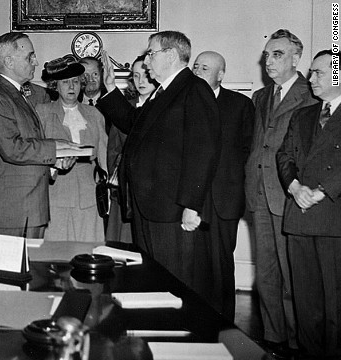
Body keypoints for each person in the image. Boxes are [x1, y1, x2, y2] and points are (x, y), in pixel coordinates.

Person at [97, 31, 220, 302]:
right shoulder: (163, 93)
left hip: (173, 210)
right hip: (150, 206)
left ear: (172, 55)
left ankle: (179, 336)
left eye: (151, 53)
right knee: (154, 279)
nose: (146, 60)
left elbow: (204, 151)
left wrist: (192, 205)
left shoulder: (194, 89)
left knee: (176, 282)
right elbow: (133, 122)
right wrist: (109, 90)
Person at [244, 29, 317, 356]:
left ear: (295, 59)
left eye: (278, 55)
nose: (269, 61)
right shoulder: (260, 96)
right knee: (266, 275)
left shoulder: (311, 93)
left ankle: (295, 342)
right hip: (259, 196)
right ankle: (273, 338)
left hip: (289, 197)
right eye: (267, 55)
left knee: (292, 277)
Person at [0, 32, 77, 238]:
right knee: (10, 270)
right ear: (9, 61)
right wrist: (56, 147)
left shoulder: (19, 95)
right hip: (12, 210)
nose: (36, 61)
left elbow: (29, 145)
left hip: (29, 206)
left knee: (29, 268)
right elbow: (13, 149)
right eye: (29, 57)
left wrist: (53, 163)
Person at [276, 49, 341, 359]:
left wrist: (322, 190)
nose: (311, 78)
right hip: (300, 217)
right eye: (311, 72)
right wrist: (294, 186)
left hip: (333, 219)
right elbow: (284, 155)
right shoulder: (303, 114)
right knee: (306, 302)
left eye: (319, 72)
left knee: (335, 304)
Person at [192, 51, 254, 321]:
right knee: (193, 265)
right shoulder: (183, 103)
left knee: (221, 266)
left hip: (224, 200)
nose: (196, 73)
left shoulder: (240, 105)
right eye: (194, 67)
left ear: (220, 75)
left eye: (204, 68)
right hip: (191, 200)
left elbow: (247, 151)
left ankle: (223, 326)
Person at [36, 56, 107, 242]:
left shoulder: (94, 114)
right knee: (57, 257)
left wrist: (105, 187)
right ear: (55, 85)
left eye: (75, 82)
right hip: (56, 195)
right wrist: (53, 167)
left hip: (88, 198)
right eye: (65, 82)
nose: (71, 87)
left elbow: (103, 155)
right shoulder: (42, 113)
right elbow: (35, 153)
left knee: (89, 251)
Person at [105, 55, 157, 243]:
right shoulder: (123, 108)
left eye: (145, 75)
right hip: (125, 191)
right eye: (135, 76)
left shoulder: (164, 108)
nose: (141, 81)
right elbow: (113, 150)